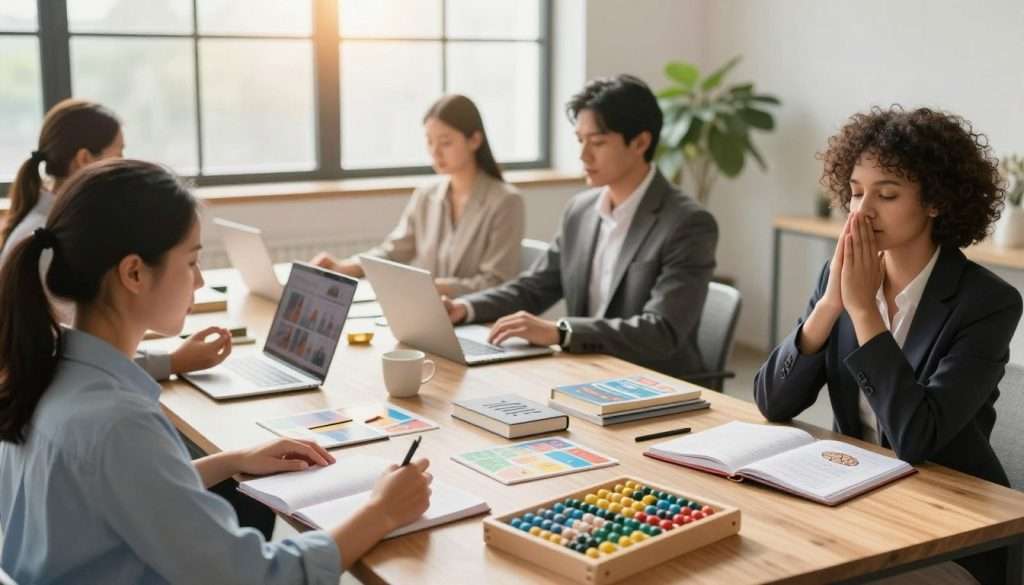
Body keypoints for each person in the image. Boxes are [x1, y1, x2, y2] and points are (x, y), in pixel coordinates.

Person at [0, 159, 433, 584]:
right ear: (133, 273)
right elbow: (257, 577)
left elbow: (129, 489)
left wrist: (233, 460)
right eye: (191, 263)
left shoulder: (45, 371)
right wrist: (381, 512)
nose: (200, 281)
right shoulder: (119, 424)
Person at [754, 106, 1021, 584]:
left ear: (935, 201)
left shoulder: (987, 302)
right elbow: (773, 401)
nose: (862, 211)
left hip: (950, 531)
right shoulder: (841, 277)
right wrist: (829, 305)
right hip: (855, 502)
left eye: (887, 194)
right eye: (856, 192)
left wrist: (863, 312)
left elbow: (915, 439)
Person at [443, 75, 718, 379]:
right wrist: (464, 308)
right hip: (587, 371)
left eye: (597, 142)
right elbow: (534, 287)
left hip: (653, 382)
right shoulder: (581, 210)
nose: (583, 155)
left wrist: (561, 332)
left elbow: (661, 331)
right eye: (579, 140)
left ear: (640, 142)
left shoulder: (687, 224)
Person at [0, 98, 230, 380]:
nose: (123, 163)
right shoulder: (52, 240)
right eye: (118, 153)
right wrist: (171, 362)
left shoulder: (52, 227)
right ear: (84, 159)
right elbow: (81, 356)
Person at [311, 94, 524, 297]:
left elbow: (496, 282)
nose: (435, 152)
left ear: (474, 140)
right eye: (429, 141)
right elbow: (393, 252)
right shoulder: (426, 195)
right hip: (430, 309)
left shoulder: (506, 201)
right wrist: (345, 267)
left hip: (476, 315)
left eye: (445, 142)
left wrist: (433, 288)